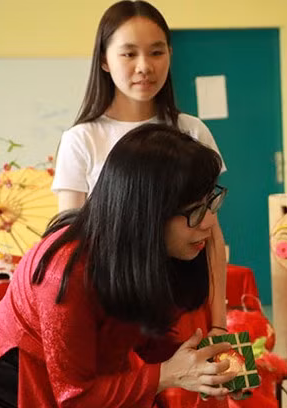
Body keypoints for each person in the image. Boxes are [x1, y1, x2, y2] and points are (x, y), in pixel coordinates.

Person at [0, 124, 236, 408]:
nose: (210, 223)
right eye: (195, 212)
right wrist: (168, 374)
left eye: (211, 203)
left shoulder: (153, 248)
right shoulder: (64, 274)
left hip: (91, 383)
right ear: (147, 215)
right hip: (24, 395)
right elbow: (74, 396)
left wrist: (204, 366)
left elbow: (145, 334)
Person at [51, 0, 229, 338]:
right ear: (104, 59)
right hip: (112, 312)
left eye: (156, 52)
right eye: (129, 54)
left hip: (183, 307)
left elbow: (212, 234)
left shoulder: (192, 132)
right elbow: (68, 247)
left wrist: (218, 319)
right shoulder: (82, 140)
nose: (144, 66)